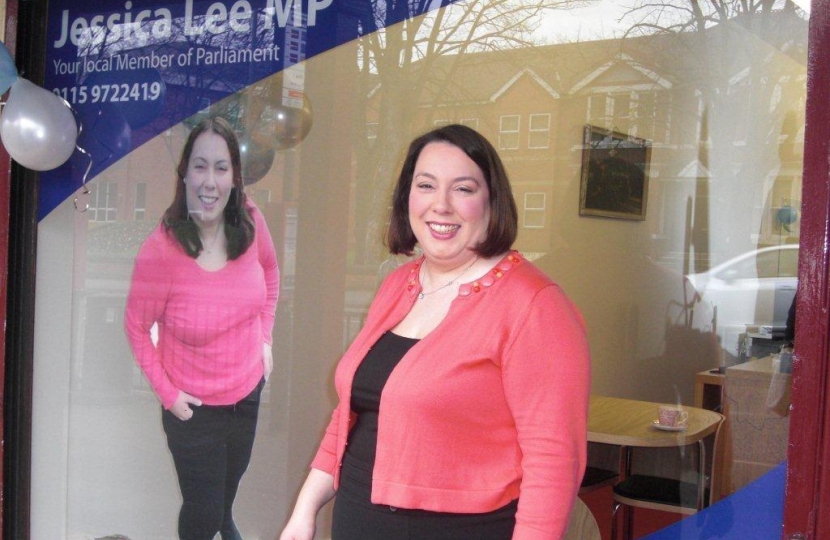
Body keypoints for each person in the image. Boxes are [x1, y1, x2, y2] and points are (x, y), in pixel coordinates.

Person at [279, 124, 590, 540]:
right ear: (408, 197)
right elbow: (351, 414)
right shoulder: (400, 284)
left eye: (463, 189)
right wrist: (305, 510)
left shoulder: (535, 305)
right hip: (358, 519)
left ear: (491, 201)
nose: (440, 205)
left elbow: (554, 461)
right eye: (426, 185)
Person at [124, 116, 280, 540]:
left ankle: (226, 527)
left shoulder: (250, 221)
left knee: (224, 499)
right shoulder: (161, 252)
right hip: (193, 410)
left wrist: (265, 338)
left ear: (234, 177)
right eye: (200, 166)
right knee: (203, 511)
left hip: (246, 396)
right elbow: (137, 328)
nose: (210, 181)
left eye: (221, 167)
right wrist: (169, 397)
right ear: (185, 174)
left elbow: (270, 274)